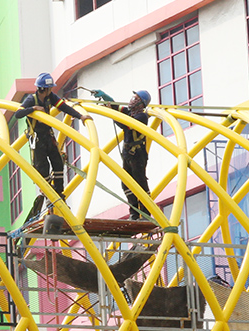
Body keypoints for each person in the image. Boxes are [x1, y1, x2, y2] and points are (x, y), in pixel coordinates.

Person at [13, 73, 92, 221]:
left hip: (48, 136)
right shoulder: (31, 100)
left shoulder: (51, 98)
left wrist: (81, 116)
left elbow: (64, 107)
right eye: (50, 88)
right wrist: (33, 109)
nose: (51, 91)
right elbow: (18, 114)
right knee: (42, 168)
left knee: (57, 163)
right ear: (45, 89)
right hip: (37, 139)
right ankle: (50, 195)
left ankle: (59, 194)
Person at [94, 88, 153, 220]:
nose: (133, 100)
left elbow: (125, 124)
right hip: (128, 153)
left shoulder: (141, 116)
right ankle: (134, 212)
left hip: (137, 154)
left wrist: (112, 114)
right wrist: (105, 97)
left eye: (136, 99)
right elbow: (116, 106)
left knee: (140, 182)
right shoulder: (130, 112)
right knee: (126, 184)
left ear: (141, 104)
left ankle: (146, 213)